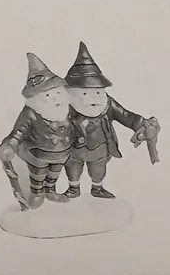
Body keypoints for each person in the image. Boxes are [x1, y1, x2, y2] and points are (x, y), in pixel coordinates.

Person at [63, 42, 156, 201]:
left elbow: (125, 115)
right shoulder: (65, 108)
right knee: (72, 167)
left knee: (98, 168)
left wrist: (141, 123)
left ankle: (97, 188)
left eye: (97, 92)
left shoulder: (107, 104)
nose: (93, 99)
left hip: (100, 147)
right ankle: (73, 187)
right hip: (73, 148)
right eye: (85, 93)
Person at [0, 54, 73, 210]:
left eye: (58, 93)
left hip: (63, 153)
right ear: (36, 99)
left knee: (54, 173)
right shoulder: (30, 113)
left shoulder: (67, 109)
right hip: (38, 153)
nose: (55, 99)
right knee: (38, 175)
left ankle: (50, 191)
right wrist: (10, 145)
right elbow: (19, 132)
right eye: (48, 95)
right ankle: (37, 193)